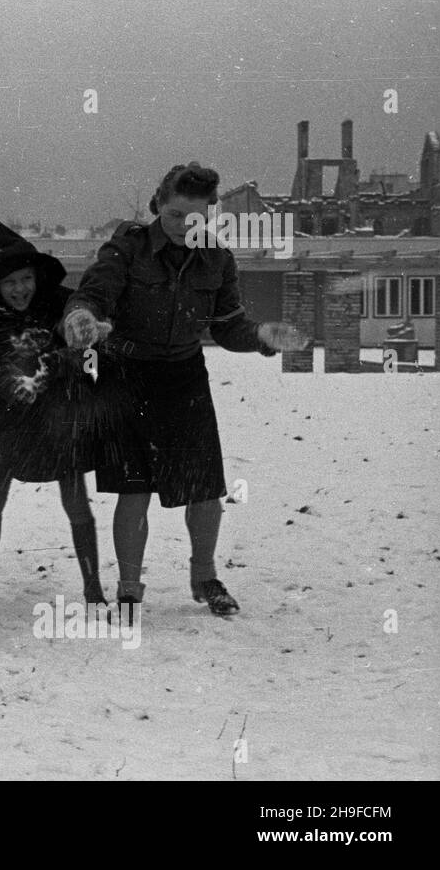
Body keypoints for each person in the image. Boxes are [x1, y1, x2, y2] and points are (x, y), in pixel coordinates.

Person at [62, 162, 309, 618]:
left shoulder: (217, 259)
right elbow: (93, 294)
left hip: (184, 376)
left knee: (204, 488)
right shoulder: (126, 249)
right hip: (127, 376)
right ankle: (131, 587)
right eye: (176, 215)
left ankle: (204, 576)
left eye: (195, 217)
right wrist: (81, 317)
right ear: (159, 205)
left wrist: (260, 336)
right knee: (134, 489)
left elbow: (229, 325)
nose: (184, 226)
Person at [0, 222, 107, 606]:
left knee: (76, 498)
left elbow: (87, 350)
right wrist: (34, 374)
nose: (19, 289)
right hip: (6, 414)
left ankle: (92, 585)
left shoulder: (62, 302)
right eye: (9, 282)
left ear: (37, 276)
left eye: (25, 278)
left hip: (59, 415)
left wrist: (75, 346)